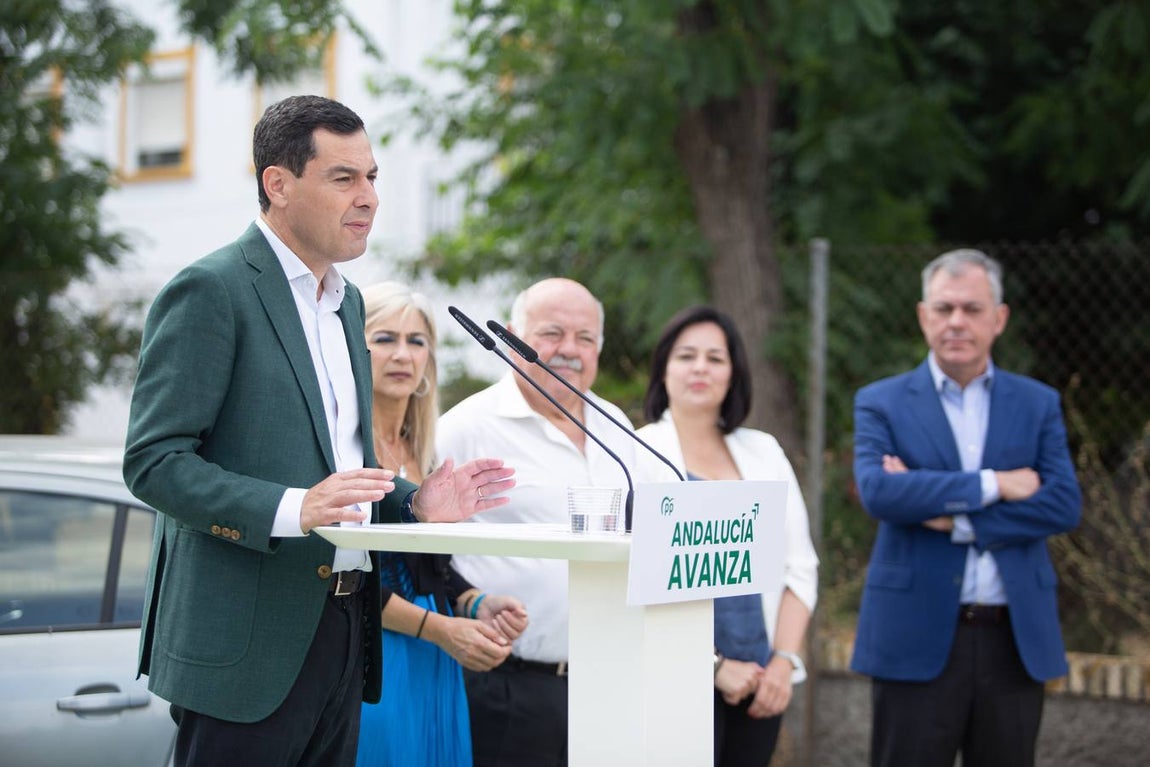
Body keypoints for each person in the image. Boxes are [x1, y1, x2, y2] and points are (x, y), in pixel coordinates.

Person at [122, 95, 515, 767]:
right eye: (344, 178)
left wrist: (412, 503)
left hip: (344, 635)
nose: (368, 198)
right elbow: (154, 462)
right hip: (245, 649)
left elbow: (341, 463)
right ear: (278, 184)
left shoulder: (348, 303)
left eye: (372, 177)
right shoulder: (212, 290)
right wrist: (292, 507)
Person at [850, 249, 1082, 767]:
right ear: (923, 315)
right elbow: (880, 493)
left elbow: (1063, 505)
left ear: (999, 318)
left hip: (1013, 641)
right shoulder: (881, 401)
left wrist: (952, 517)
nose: (956, 321)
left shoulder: (1037, 403)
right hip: (913, 636)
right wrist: (995, 483)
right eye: (944, 308)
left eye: (972, 309)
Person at [436, 277, 640, 767]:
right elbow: (422, 551)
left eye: (585, 338)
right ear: (511, 337)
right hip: (506, 686)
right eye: (551, 333)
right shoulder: (465, 428)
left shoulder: (618, 426)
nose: (568, 349)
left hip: (607, 682)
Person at [635, 305, 819, 767]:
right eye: (686, 356)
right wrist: (713, 667)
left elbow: (799, 566)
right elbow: (632, 583)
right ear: (663, 370)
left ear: (733, 373)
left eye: (715, 358)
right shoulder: (635, 454)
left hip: (761, 683)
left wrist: (783, 662)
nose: (700, 367)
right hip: (670, 682)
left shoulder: (764, 451)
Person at [355, 281, 529, 766]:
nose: (402, 355)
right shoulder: (344, 447)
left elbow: (430, 567)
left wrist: (476, 602)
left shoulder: (426, 452)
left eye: (417, 341)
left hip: (437, 649)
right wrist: (441, 629)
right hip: (374, 654)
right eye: (384, 338)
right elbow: (347, 575)